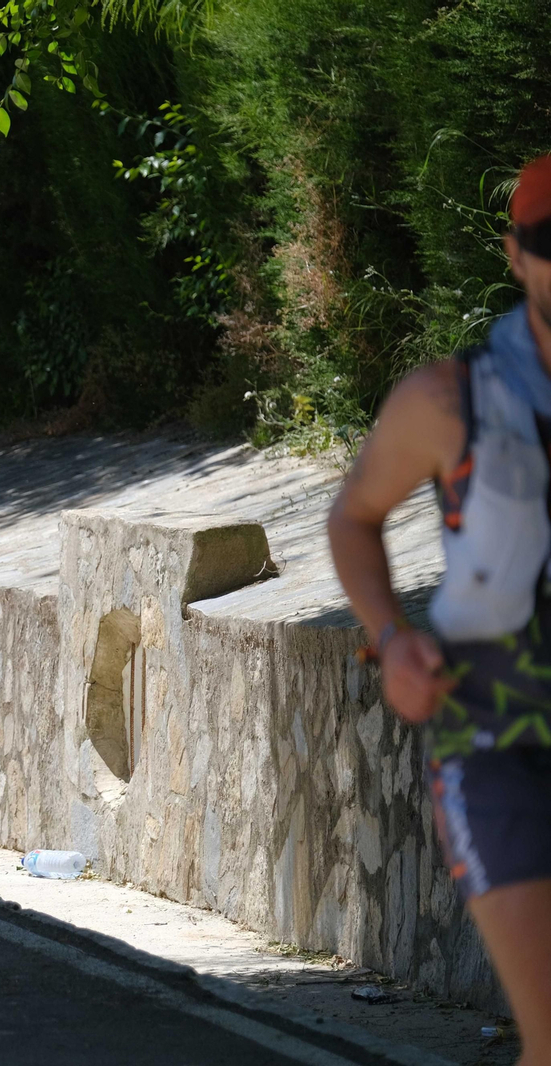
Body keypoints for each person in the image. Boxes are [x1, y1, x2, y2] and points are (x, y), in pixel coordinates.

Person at [328, 154, 551, 1064]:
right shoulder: (447, 399)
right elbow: (353, 515)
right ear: (516, 255)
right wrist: (391, 638)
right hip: (493, 736)